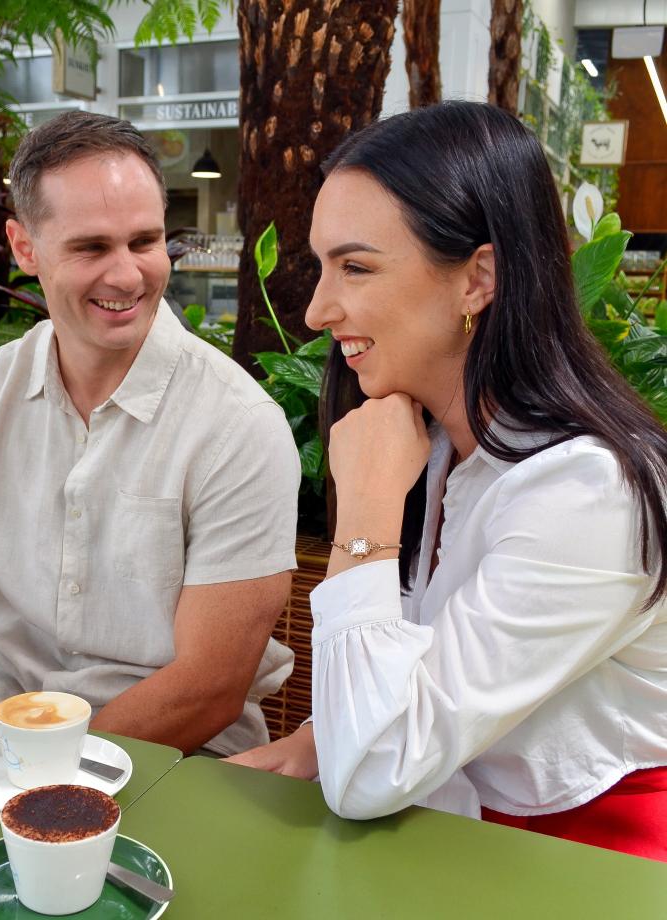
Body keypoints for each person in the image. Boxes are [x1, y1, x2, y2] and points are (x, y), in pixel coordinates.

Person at [227, 101, 667, 859]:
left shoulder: (587, 494)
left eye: (356, 267)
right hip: (451, 837)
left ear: (478, 279)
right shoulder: (437, 446)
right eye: (322, 265)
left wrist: (363, 515)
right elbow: (406, 694)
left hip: (591, 870)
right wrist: (313, 738)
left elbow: (374, 768)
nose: (315, 310)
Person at [0, 112, 301, 755]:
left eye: (145, 241)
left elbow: (209, 687)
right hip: (0, 717)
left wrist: (42, 765)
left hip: (175, 752)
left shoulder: (238, 427)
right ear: (24, 248)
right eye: (91, 247)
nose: (127, 275)